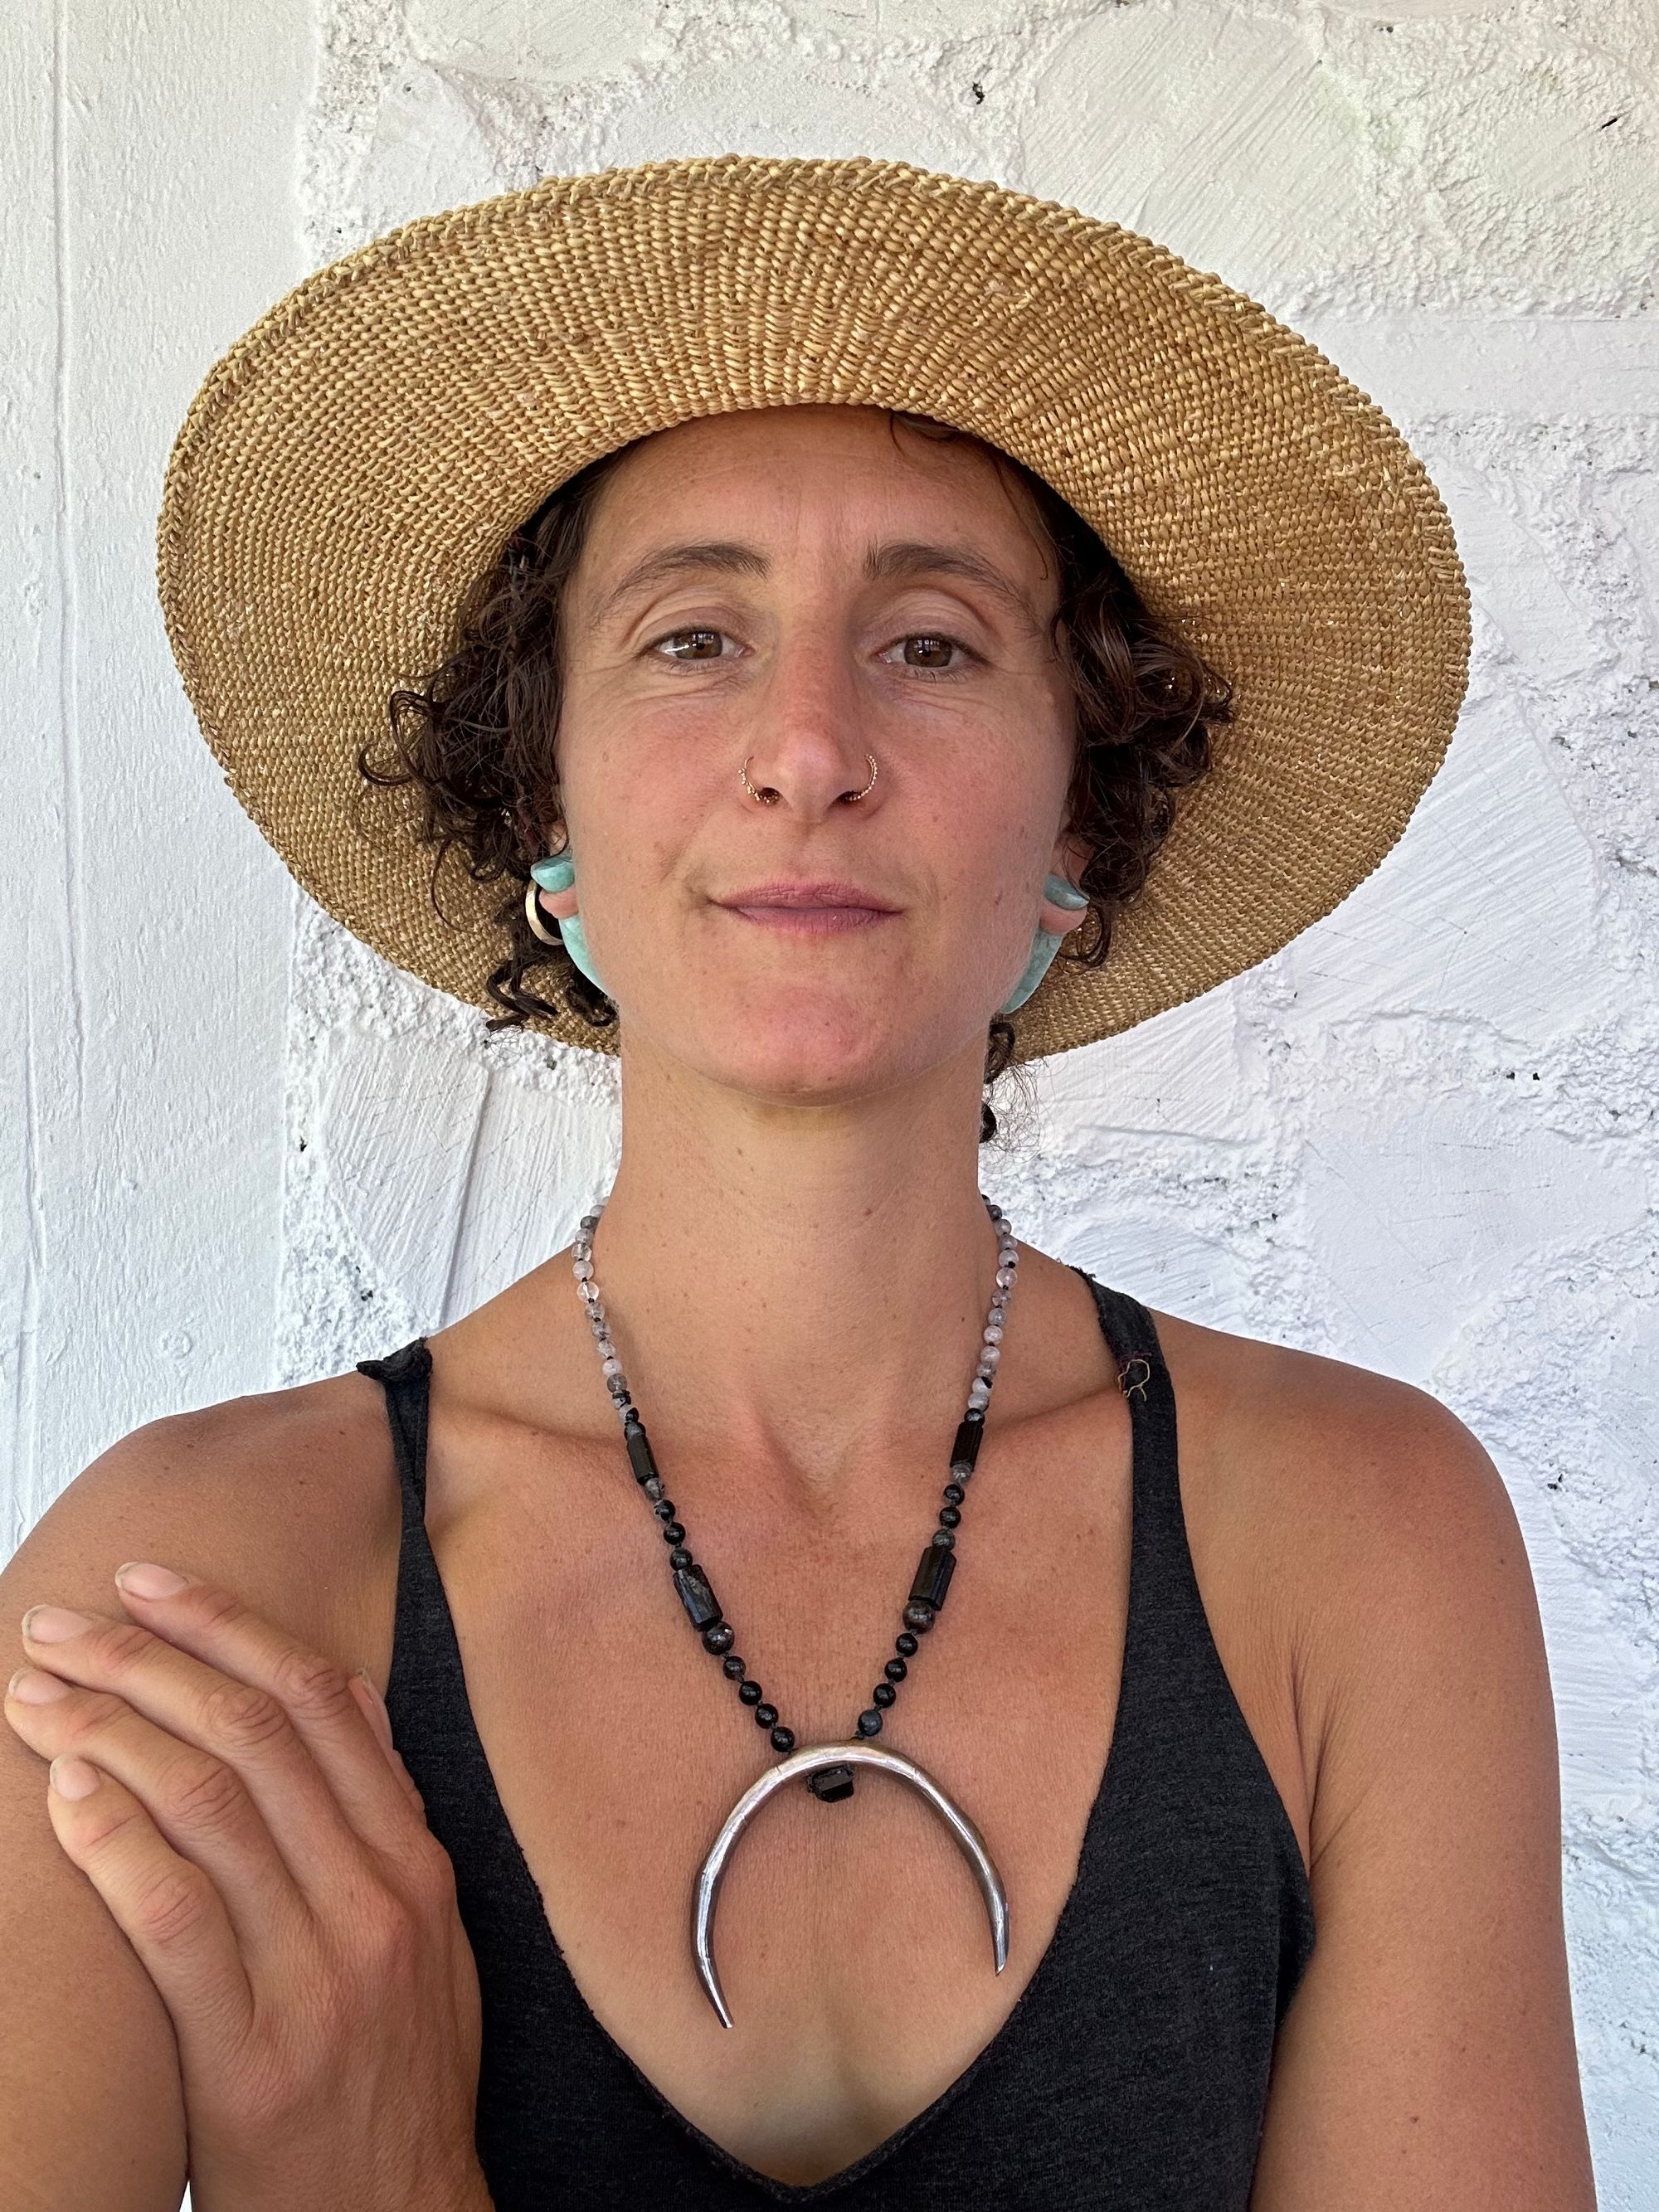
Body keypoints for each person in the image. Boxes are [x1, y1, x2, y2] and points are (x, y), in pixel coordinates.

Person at [1, 156, 1596, 2210]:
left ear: (1076, 834)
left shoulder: (1365, 1546)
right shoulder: (192, 1592)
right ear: (540, 819)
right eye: (691, 639)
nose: (809, 745)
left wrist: (377, 2173)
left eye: (928, 645)